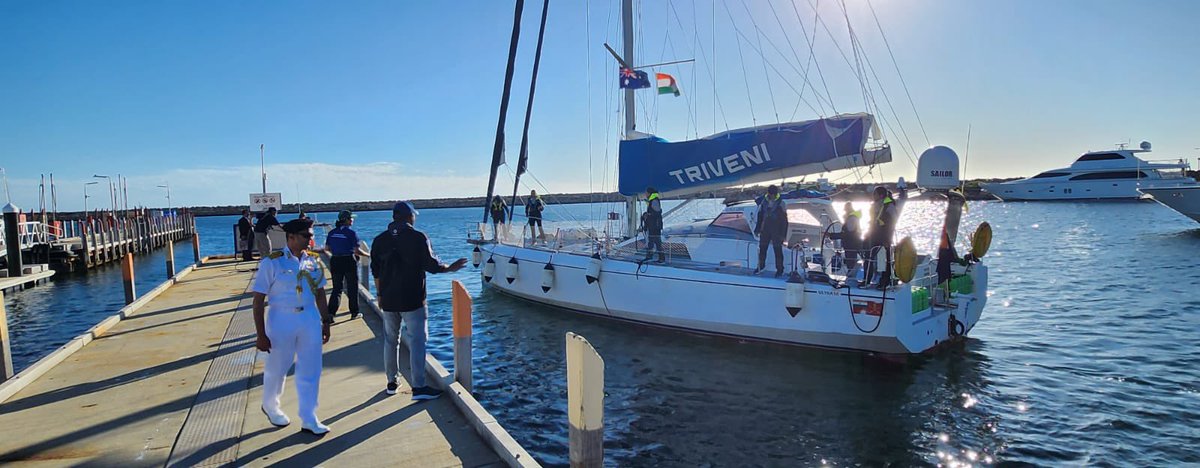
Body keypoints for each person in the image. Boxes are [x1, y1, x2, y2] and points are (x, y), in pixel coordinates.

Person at [371, 201, 467, 400]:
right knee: (417, 342)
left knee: (390, 340)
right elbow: (432, 265)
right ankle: (419, 387)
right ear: (409, 217)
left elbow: (376, 271)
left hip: (388, 299)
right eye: (413, 215)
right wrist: (450, 268)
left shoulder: (379, 240)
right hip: (413, 299)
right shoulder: (418, 237)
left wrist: (380, 295)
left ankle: (391, 382)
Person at [252, 218, 332, 435]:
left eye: (311, 235)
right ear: (291, 237)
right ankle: (270, 405)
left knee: (311, 368)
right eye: (307, 235)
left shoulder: (314, 261)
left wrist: (326, 321)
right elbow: (258, 300)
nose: (311, 239)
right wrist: (260, 334)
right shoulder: (272, 262)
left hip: (309, 319)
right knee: (278, 367)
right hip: (281, 319)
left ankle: (309, 417)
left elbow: (320, 293)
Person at [324, 210, 370, 320]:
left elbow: (327, 248)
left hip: (335, 260)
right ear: (347, 220)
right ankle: (354, 313)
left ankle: (331, 313)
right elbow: (357, 250)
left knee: (337, 288)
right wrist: (368, 255)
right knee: (352, 287)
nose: (352, 220)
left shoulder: (332, 233)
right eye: (351, 218)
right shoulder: (351, 233)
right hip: (349, 260)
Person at [863, 186, 899, 289]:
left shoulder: (889, 206)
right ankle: (867, 280)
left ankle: (885, 281)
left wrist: (887, 238)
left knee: (885, 260)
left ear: (881, 195)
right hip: (873, 234)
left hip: (884, 236)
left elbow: (893, 222)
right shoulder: (876, 206)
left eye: (875, 194)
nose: (873, 196)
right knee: (868, 257)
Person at [754, 185, 788, 277]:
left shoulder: (781, 203)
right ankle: (760, 266)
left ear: (775, 194)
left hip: (777, 230)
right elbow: (760, 216)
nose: (771, 196)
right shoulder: (763, 202)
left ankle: (780, 270)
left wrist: (783, 234)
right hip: (765, 229)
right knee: (762, 249)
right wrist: (757, 229)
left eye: (773, 194)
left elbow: (784, 221)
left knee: (777, 250)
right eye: (770, 194)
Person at [830, 202, 863, 284]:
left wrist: (832, 235)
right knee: (851, 261)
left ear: (848, 208)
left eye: (845, 209)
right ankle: (851, 276)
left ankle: (851, 279)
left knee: (851, 262)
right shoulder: (853, 217)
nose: (844, 211)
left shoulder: (852, 218)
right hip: (852, 243)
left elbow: (848, 234)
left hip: (851, 244)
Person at [640, 187, 665, 262]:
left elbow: (657, 213)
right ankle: (649, 256)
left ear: (649, 193)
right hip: (653, 226)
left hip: (655, 226)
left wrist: (647, 215)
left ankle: (661, 258)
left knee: (657, 242)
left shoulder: (654, 201)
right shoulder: (652, 201)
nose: (645, 194)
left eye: (646, 193)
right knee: (651, 242)